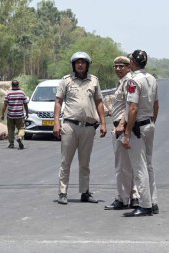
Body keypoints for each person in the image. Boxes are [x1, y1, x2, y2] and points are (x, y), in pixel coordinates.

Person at [53, 51, 107, 205]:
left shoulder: (94, 81)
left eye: (83, 62)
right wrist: (56, 122)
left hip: (88, 128)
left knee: (85, 163)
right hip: (70, 126)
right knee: (66, 161)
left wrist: (103, 123)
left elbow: (99, 102)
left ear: (87, 65)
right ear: (74, 65)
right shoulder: (66, 81)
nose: (80, 65)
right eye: (77, 62)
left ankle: (85, 192)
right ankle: (63, 192)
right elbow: (58, 101)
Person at [121, 50, 159, 217]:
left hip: (138, 128)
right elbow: (156, 105)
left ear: (132, 62)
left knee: (139, 167)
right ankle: (153, 201)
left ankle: (145, 205)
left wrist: (127, 132)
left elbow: (133, 108)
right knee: (148, 165)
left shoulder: (133, 81)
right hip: (149, 124)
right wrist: (151, 123)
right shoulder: (152, 79)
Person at [104, 56, 140, 210]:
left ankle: (122, 199)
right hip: (122, 127)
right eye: (116, 66)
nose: (118, 69)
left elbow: (131, 106)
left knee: (122, 167)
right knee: (128, 166)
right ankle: (134, 196)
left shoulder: (128, 82)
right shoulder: (123, 83)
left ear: (129, 67)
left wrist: (122, 124)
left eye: (121, 66)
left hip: (122, 128)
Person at [1, 80, 29, 150]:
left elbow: (4, 105)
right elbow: (25, 104)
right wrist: (27, 113)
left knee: (10, 129)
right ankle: (19, 137)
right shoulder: (22, 93)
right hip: (19, 115)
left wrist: (2, 114)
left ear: (12, 85)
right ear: (18, 85)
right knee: (21, 128)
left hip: (10, 115)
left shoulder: (8, 93)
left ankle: (11, 144)